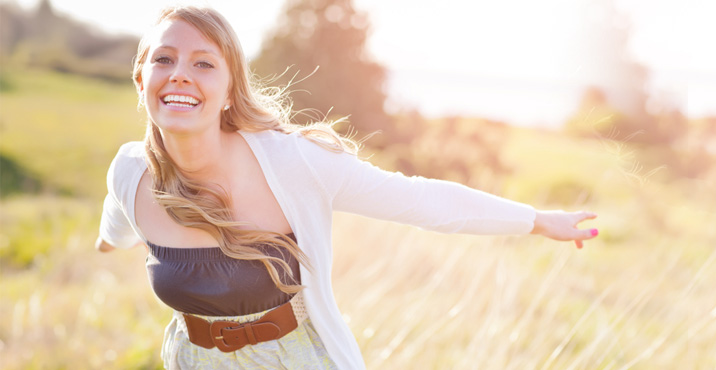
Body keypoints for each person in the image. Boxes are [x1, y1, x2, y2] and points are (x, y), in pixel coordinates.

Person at [96, 6, 597, 370]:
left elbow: (421, 199)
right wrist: (107, 241)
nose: (180, 75)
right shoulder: (131, 173)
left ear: (229, 90)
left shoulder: (295, 163)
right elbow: (117, 222)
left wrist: (534, 220)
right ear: (142, 81)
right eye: (164, 59)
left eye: (203, 63)